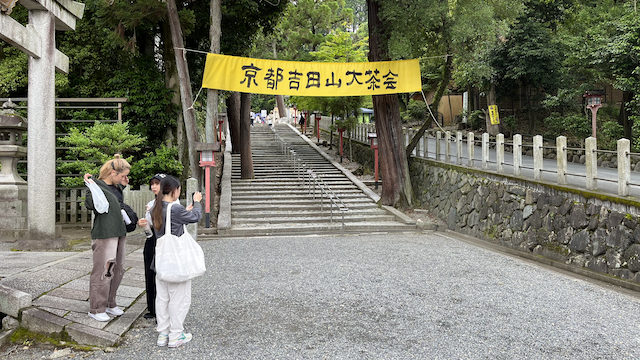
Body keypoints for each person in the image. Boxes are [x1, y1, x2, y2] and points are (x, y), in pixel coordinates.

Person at [149, 176, 202, 348]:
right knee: (179, 299)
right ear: (175, 190)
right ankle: (176, 335)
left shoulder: (154, 208)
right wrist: (197, 201)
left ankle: (163, 333)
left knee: (162, 298)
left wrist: (183, 210)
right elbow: (196, 216)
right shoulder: (176, 209)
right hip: (176, 262)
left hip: (160, 262)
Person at [83, 155, 131, 322]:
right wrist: (90, 185)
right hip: (104, 232)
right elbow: (90, 204)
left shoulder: (118, 188)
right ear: (112, 172)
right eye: (123, 175)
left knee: (118, 268)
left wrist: (122, 184)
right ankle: (96, 308)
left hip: (119, 231)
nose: (125, 178)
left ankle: (111, 303)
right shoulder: (96, 186)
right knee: (104, 269)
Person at [137, 173, 166, 319]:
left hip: (165, 240)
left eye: (157, 183)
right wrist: (145, 225)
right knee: (150, 272)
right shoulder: (150, 203)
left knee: (163, 274)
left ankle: (164, 309)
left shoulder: (170, 203)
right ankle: (152, 308)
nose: (154, 186)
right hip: (151, 240)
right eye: (152, 184)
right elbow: (149, 229)